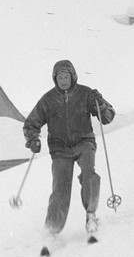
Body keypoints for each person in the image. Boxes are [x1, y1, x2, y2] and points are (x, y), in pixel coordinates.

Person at [23, 59, 115, 238]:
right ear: (54, 79)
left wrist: (101, 102)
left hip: (84, 143)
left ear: (73, 76)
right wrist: (33, 139)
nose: (63, 80)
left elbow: (108, 117)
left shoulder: (86, 94)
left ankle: (91, 215)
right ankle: (52, 228)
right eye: (59, 77)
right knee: (60, 187)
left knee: (89, 174)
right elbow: (30, 124)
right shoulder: (48, 100)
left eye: (66, 76)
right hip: (60, 148)